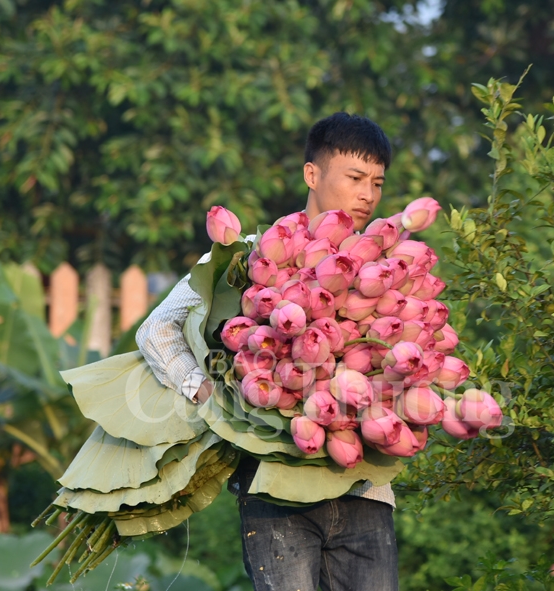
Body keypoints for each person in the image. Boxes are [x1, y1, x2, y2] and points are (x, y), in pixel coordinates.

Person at [135, 112, 398, 591]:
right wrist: (208, 397)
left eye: (378, 183)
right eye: (356, 178)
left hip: (365, 490)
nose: (368, 195)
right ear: (312, 174)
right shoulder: (252, 254)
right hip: (273, 493)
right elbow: (157, 330)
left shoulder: (383, 269)